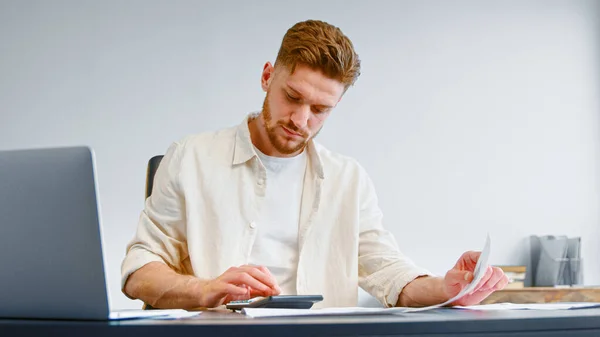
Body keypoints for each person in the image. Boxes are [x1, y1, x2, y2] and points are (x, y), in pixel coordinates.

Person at [121, 19, 508, 310]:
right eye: (292, 97)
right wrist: (204, 290)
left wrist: (449, 288)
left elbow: (389, 272)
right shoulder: (191, 158)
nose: (300, 120)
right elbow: (139, 270)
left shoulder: (348, 180)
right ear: (267, 76)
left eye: (320, 109)